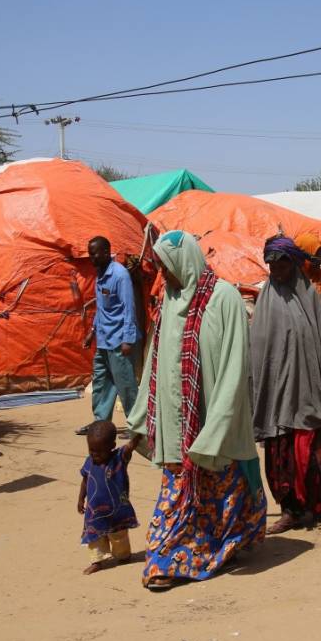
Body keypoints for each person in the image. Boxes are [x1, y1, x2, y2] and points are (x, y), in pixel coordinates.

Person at [123, 231, 265, 592]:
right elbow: (155, 362)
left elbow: (235, 366)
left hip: (214, 423)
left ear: (185, 262)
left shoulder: (224, 299)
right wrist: (140, 422)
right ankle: (166, 559)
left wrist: (215, 428)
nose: (163, 276)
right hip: (175, 428)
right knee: (178, 492)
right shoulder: (169, 301)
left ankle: (196, 554)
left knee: (223, 494)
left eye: (166, 268)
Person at [251, 235, 321, 534]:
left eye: (281, 263)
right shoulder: (266, 299)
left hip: (305, 396)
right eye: (270, 264)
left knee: (303, 457)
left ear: (294, 263)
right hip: (275, 398)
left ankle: (314, 506)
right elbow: (259, 350)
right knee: (277, 460)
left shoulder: (309, 295)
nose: (275, 270)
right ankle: (290, 511)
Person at [78, 235, 140, 436]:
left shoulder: (119, 275)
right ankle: (101, 423)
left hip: (119, 340)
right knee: (101, 383)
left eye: (94, 253)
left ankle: (136, 426)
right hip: (104, 339)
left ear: (106, 252)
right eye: (90, 254)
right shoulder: (101, 274)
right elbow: (102, 309)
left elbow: (129, 308)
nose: (92, 258)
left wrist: (128, 339)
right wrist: (92, 332)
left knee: (126, 385)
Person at [78, 420, 138, 575]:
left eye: (99, 451)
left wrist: (140, 434)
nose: (94, 454)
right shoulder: (89, 462)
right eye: (91, 450)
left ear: (112, 446)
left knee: (119, 536)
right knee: (94, 539)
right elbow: (85, 480)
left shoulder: (118, 458)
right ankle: (97, 562)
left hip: (117, 511)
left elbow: (131, 446)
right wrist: (80, 499)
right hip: (94, 512)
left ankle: (123, 555)